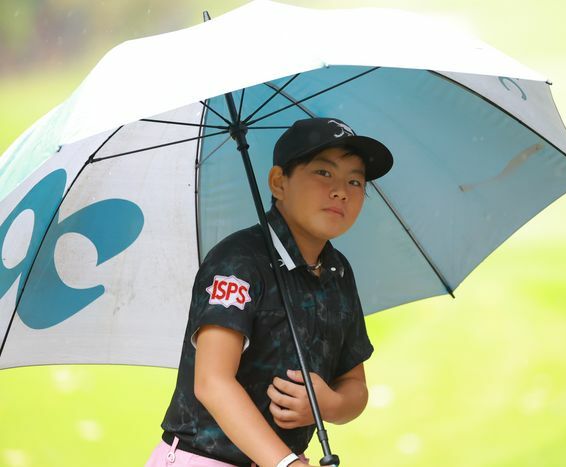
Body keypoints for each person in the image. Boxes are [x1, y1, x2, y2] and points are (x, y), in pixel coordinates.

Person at [145, 117, 393, 467]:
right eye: (324, 173)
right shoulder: (239, 261)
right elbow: (212, 382)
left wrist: (328, 405)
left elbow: (354, 384)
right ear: (279, 182)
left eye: (355, 181)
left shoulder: (337, 271)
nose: (342, 191)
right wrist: (286, 463)